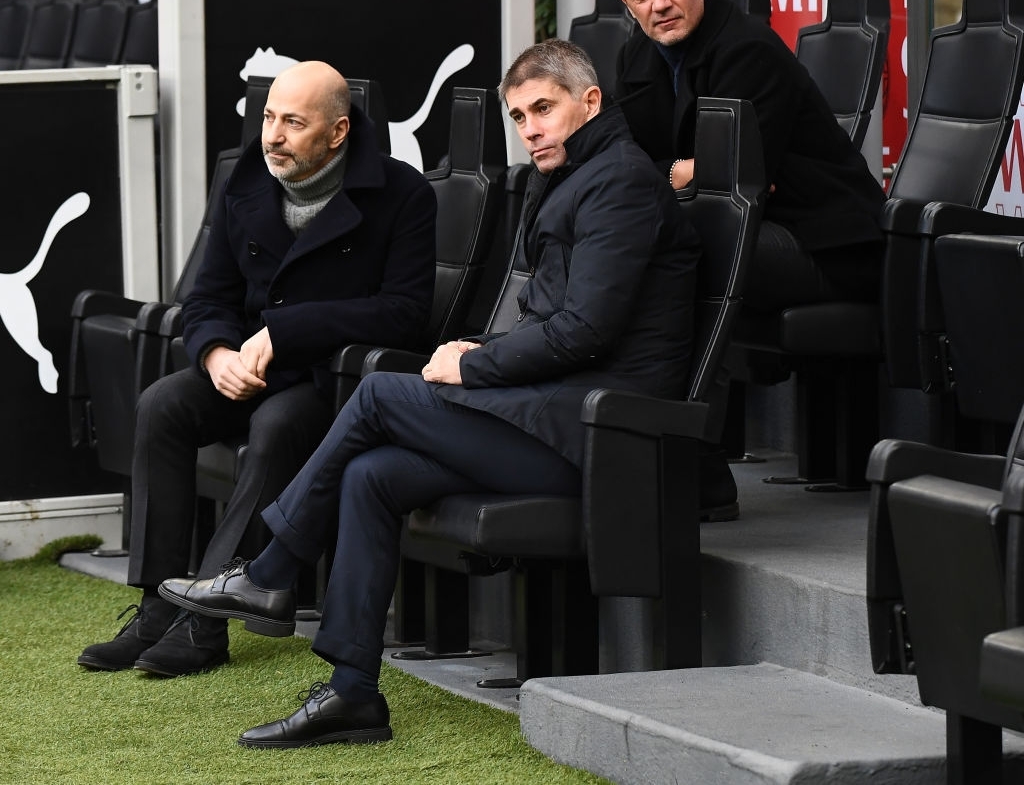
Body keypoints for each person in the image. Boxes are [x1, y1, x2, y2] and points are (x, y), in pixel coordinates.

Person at [156, 39, 701, 748]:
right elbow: (564, 326)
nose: (531, 127)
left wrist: (473, 368)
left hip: (603, 437)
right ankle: (352, 693)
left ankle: (269, 569)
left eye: (544, 108)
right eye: (519, 115)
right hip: (555, 415)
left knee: (382, 396)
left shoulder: (620, 183)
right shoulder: (574, 177)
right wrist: (483, 353)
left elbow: (585, 332)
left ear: (590, 102)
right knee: (371, 475)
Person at [77, 61, 437, 678]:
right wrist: (215, 353)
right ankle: (156, 606)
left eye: (293, 123)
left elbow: (403, 315)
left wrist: (288, 331)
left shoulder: (403, 194)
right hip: (244, 363)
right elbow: (206, 296)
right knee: (162, 405)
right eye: (269, 118)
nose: (272, 135)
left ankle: (204, 620)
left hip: (333, 379)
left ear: (338, 131)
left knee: (276, 427)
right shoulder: (245, 180)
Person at [612, 0, 887, 313]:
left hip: (822, 245)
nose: (659, 3)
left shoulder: (747, 49)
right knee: (605, 226)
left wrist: (661, 174)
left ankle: (654, 376)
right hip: (735, 229)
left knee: (660, 245)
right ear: (626, 2)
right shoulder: (636, 54)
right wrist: (679, 172)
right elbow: (617, 164)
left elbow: (731, 181)